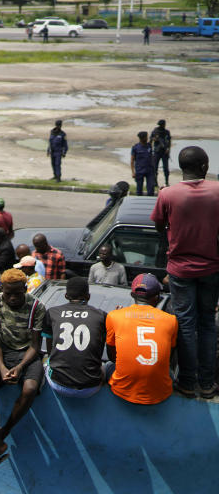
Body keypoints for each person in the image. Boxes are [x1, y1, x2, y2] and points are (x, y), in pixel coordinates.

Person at [150, 145, 219, 398]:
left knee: (185, 324)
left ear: (181, 168)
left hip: (180, 270)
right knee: (207, 324)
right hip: (212, 267)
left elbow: (158, 227)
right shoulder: (217, 191)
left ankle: (187, 382)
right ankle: (208, 383)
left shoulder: (168, 194)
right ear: (205, 166)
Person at [0, 268, 46, 470]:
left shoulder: (37, 307)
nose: (12, 298)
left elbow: (35, 345)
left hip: (28, 355)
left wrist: (19, 367)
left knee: (30, 389)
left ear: (25, 289)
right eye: (8, 293)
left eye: (17, 293)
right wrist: (1, 367)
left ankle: (0, 437)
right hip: (2, 353)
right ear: (2, 289)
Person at [105, 274, 178, 404]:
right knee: (170, 372)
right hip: (160, 393)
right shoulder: (171, 320)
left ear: (132, 295)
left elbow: (112, 357)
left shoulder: (114, 316)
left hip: (123, 390)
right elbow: (168, 358)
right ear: (157, 298)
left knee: (108, 365)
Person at [42, 276, 107, 398]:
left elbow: (50, 351)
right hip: (91, 387)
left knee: (46, 361)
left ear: (66, 296)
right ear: (88, 296)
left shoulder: (52, 312)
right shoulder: (102, 315)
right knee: (105, 366)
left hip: (58, 384)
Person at [130, 131, 155, 196]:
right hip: (139, 171)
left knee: (151, 190)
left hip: (149, 171)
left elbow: (151, 157)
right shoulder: (135, 147)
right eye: (146, 137)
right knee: (139, 190)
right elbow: (132, 160)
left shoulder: (149, 146)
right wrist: (133, 172)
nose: (147, 138)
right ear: (142, 138)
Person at [150, 119, 171, 188]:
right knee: (155, 168)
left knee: (166, 168)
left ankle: (166, 182)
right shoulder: (155, 131)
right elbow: (150, 140)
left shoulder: (166, 132)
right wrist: (155, 139)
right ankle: (155, 182)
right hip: (157, 152)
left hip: (164, 152)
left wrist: (168, 149)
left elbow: (169, 141)